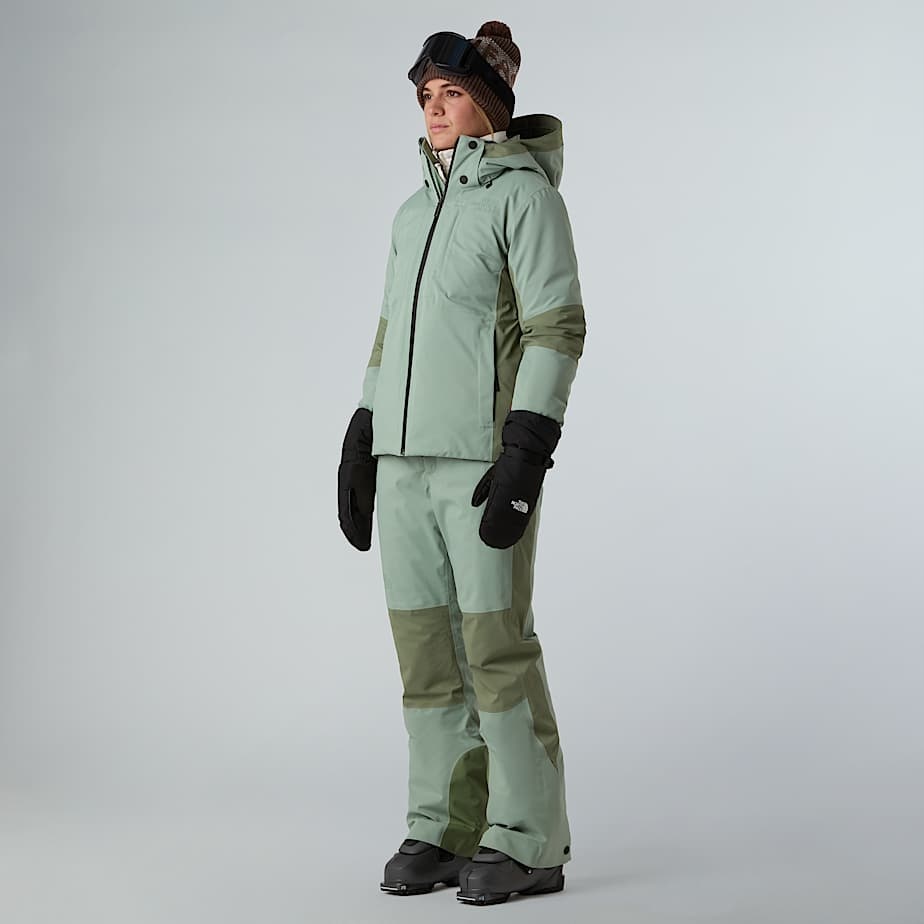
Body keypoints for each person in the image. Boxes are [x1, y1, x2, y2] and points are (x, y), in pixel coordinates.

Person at [337, 20, 586, 906]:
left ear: (489, 103)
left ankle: (528, 837)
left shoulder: (526, 199)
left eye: (451, 94)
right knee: (427, 656)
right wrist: (363, 431)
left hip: (482, 464)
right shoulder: (412, 215)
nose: (434, 110)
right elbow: (388, 333)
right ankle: (445, 823)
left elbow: (557, 326)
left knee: (494, 648)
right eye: (426, 97)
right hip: (405, 464)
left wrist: (528, 447)